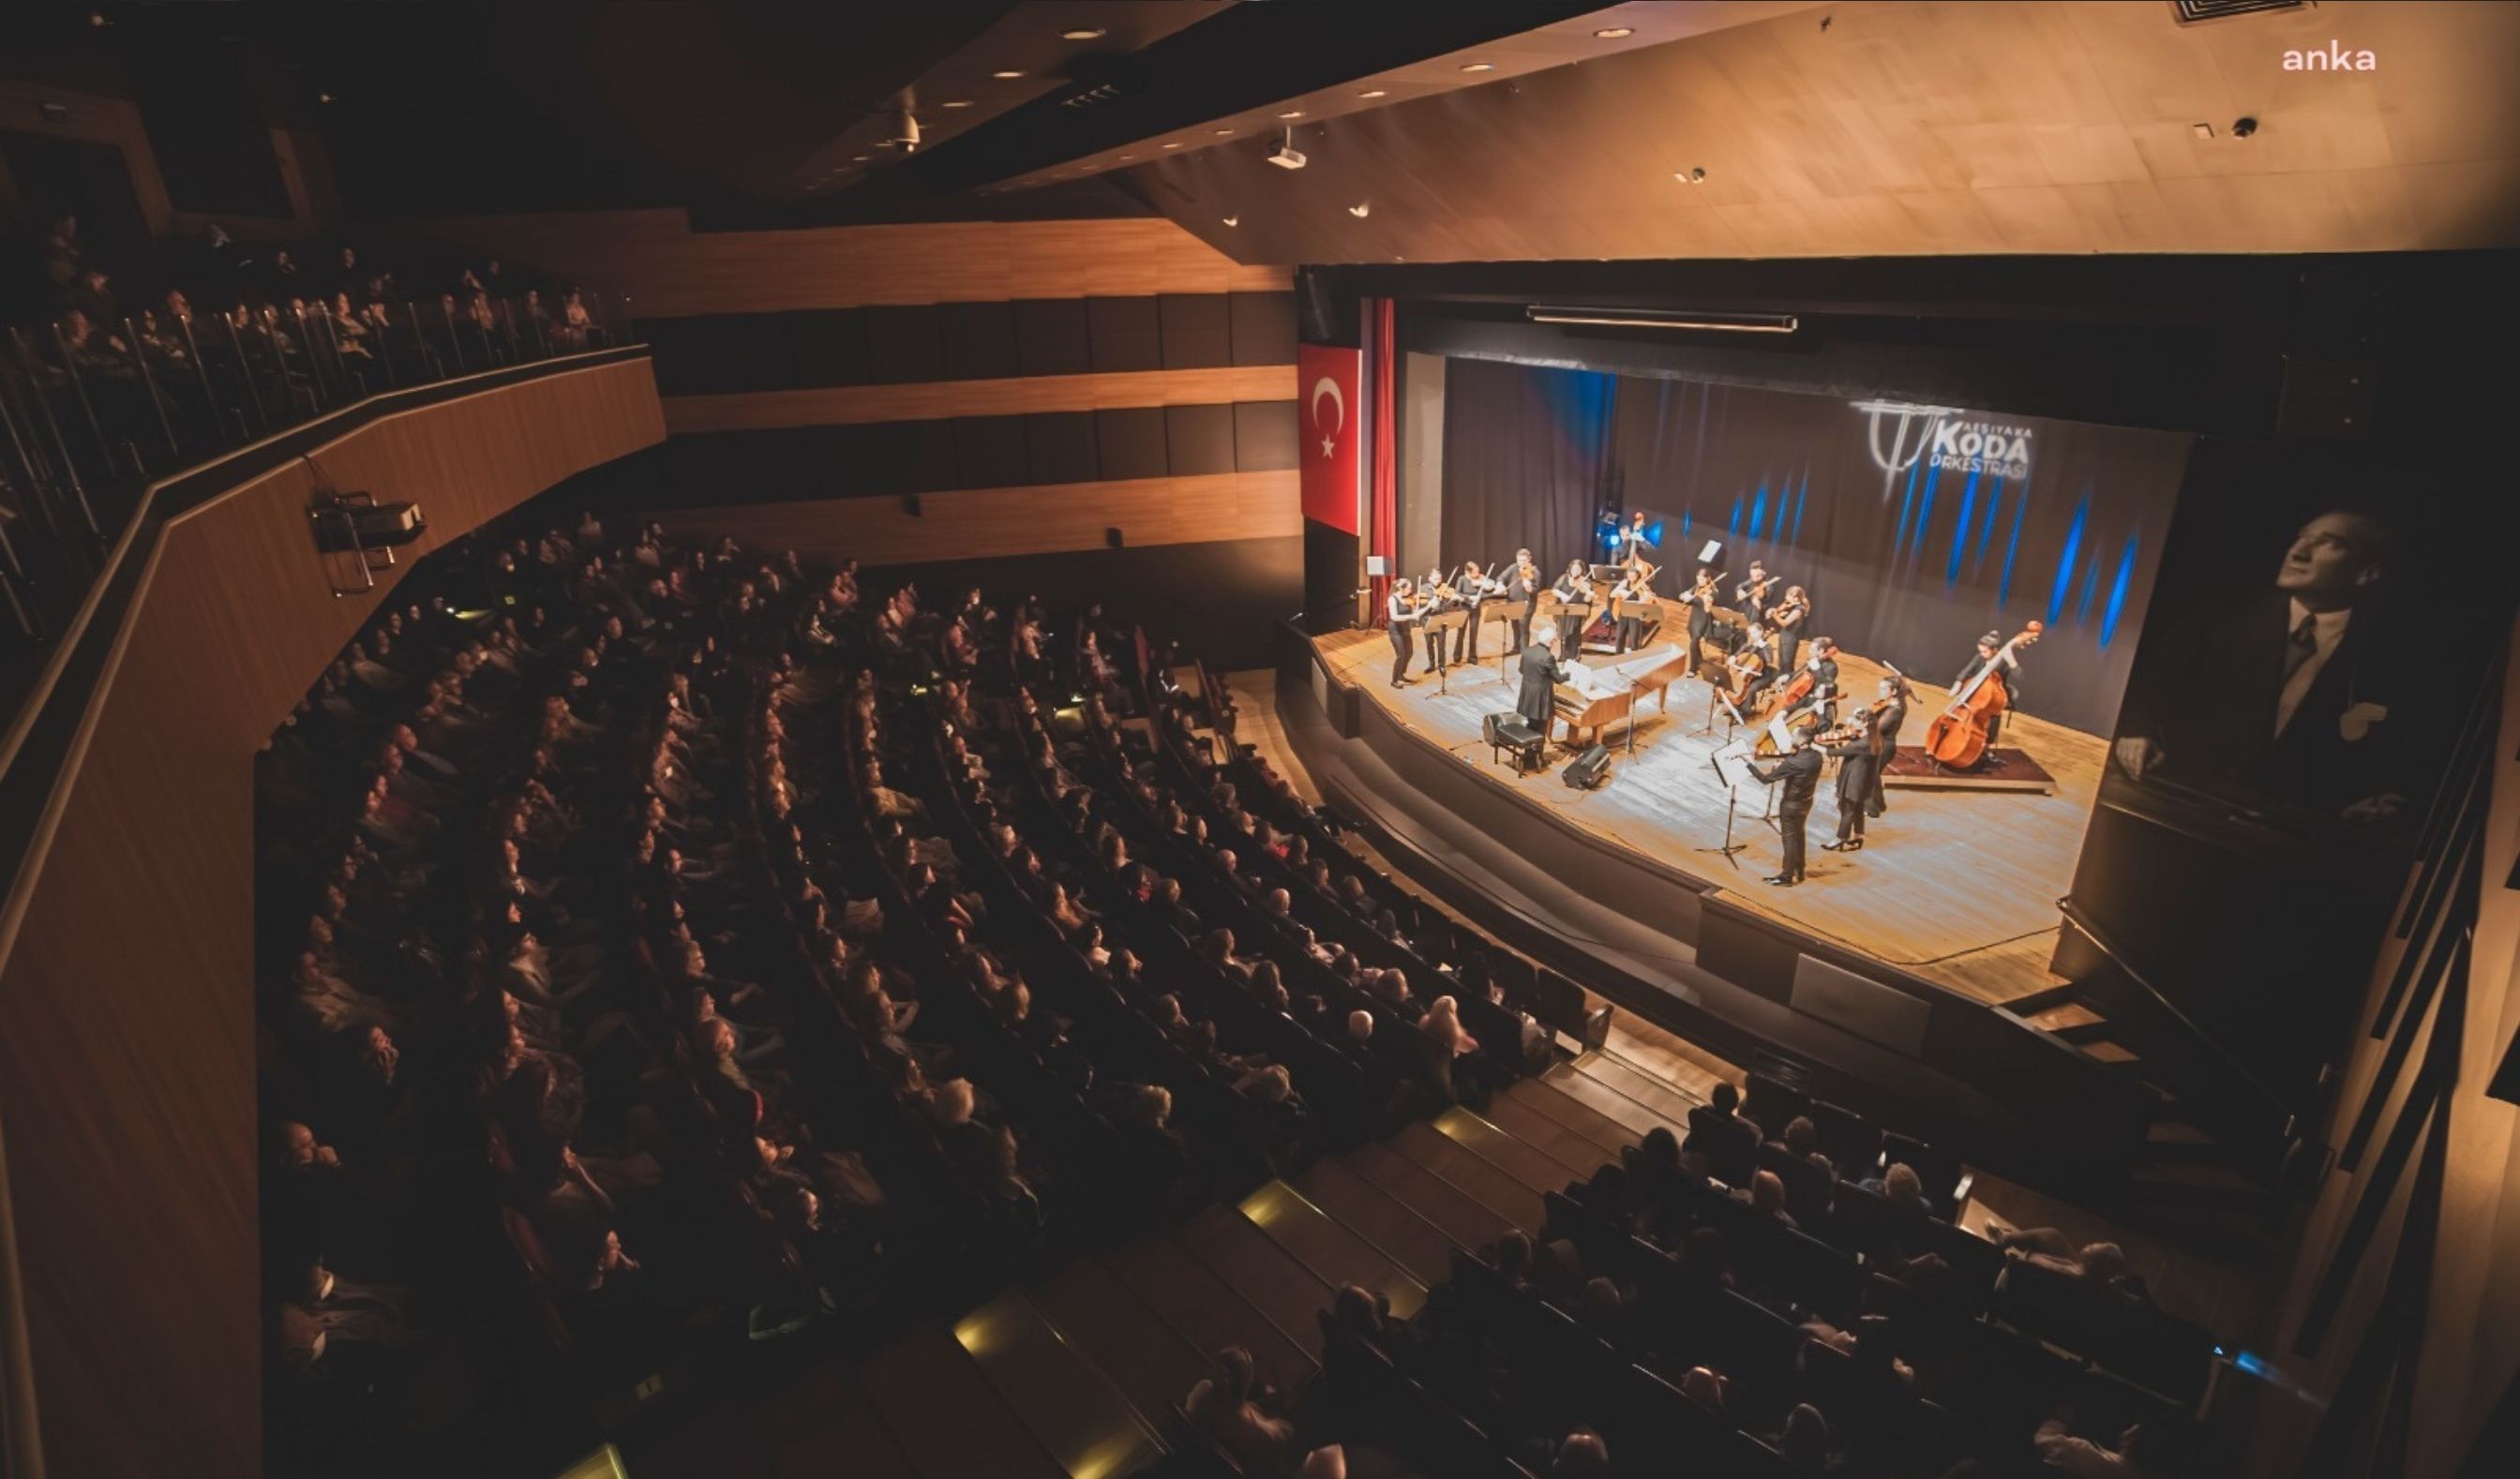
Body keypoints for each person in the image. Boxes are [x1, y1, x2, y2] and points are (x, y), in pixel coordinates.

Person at [2113, 506, 2403, 820]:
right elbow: (2147, 694)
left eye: (2329, 543)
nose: (2299, 552)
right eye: (2302, 537)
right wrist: (2137, 734)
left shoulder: (2383, 664)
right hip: (2176, 814)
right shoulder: (2217, 621)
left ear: (2367, 573)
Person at [1746, 728, 1823, 886]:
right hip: (1806, 802)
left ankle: (1786, 876)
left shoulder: (1793, 762)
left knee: (1789, 839)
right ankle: (1800, 870)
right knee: (1799, 835)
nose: (1791, 738)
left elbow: (1765, 779)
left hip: (1791, 805)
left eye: (1794, 736)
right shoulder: (1817, 756)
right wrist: (1784, 764)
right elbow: (1799, 765)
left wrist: (1748, 764)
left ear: (1802, 741)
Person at [1819, 706, 1882, 853]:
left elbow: (1835, 751)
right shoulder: (1873, 738)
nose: (1853, 722)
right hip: (1863, 781)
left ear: (1865, 723)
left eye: (1856, 720)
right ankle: (1858, 836)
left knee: (1847, 809)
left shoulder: (1863, 744)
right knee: (1858, 808)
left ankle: (1840, 838)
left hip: (1855, 781)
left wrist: (1815, 746)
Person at [1517, 620, 1568, 740]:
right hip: (1540, 700)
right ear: (1550, 642)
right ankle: (1535, 758)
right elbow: (1559, 679)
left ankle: (1529, 755)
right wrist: (1568, 674)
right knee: (1540, 731)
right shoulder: (1548, 657)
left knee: (1531, 725)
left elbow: (1521, 670)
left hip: (1528, 695)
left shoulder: (1527, 651)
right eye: (1554, 641)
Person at [1868, 675, 1910, 818]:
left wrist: (1860, 722)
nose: (1880, 691)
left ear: (1893, 691)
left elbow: (1876, 728)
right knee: (1874, 775)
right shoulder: (1891, 704)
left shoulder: (1894, 710)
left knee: (1868, 776)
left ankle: (1871, 809)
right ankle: (1880, 804)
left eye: (1884, 689)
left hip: (1884, 747)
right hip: (1882, 744)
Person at [1549, 560, 1594, 657]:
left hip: (1576, 612)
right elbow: (1554, 590)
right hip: (1564, 610)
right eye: (1573, 569)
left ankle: (1574, 655)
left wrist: (1589, 595)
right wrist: (1562, 595)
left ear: (1582, 570)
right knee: (1563, 633)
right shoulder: (1564, 578)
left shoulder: (1585, 581)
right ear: (1570, 568)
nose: (1575, 571)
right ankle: (1564, 654)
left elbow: (1586, 600)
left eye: (1578, 569)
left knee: (1574, 634)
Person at [1385, 577, 1423, 689]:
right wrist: (1411, 616)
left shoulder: (1407, 599)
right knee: (1401, 655)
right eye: (1409, 588)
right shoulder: (1392, 599)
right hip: (1395, 630)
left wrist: (1420, 609)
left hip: (1406, 629)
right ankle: (1394, 680)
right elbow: (1394, 617)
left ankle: (1401, 674)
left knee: (1409, 653)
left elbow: (1415, 613)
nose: (1411, 591)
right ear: (1401, 588)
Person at [1503, 549, 1543, 651]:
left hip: (1527, 605)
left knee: (1523, 627)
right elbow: (1501, 577)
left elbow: (1536, 590)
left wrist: (1528, 585)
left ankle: (1525, 651)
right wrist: (1500, 584)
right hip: (1513, 603)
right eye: (1519, 560)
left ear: (1529, 559)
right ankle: (1516, 648)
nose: (1521, 563)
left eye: (1524, 560)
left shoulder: (1534, 572)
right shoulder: (1513, 567)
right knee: (1515, 626)